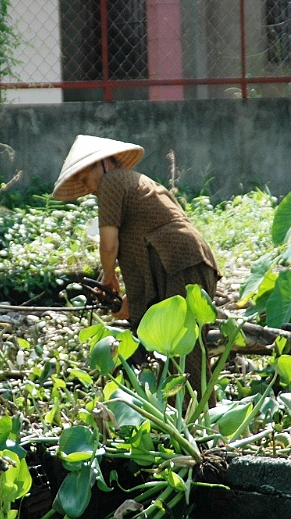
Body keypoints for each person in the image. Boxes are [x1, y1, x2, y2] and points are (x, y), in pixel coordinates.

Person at [53, 134, 221, 396]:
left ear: (103, 164)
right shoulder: (134, 184)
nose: (90, 189)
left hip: (181, 262)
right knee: (184, 351)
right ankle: (192, 420)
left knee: (186, 355)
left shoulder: (111, 181)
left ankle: (201, 426)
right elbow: (144, 253)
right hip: (187, 261)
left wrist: (109, 278)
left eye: (86, 180)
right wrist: (127, 300)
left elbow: (109, 244)